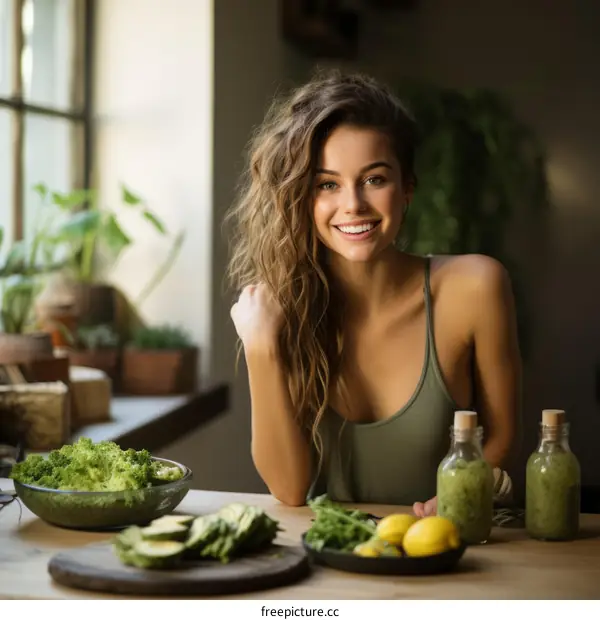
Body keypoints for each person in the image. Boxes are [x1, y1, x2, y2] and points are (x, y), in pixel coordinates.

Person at [227, 70, 521, 516]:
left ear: (407, 188)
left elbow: (502, 438)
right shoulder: (285, 310)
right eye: (327, 184)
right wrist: (261, 347)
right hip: (332, 561)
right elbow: (289, 489)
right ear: (302, 198)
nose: (353, 205)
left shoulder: (475, 287)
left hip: (452, 551)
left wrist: (460, 497)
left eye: (374, 179)